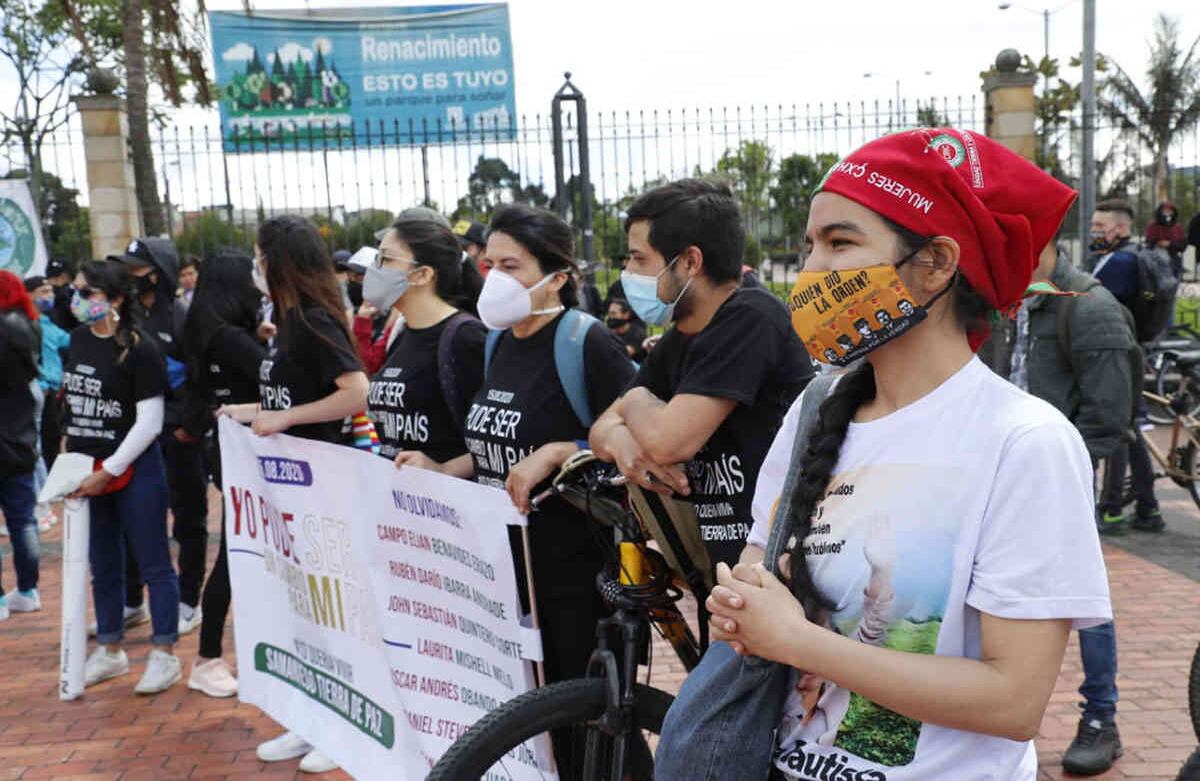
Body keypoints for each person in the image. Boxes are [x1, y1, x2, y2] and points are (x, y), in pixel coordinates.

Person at [695, 129, 1110, 780]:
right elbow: (758, 565)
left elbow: (1016, 700)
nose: (812, 271)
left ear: (936, 263)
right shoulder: (813, 410)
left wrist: (800, 640)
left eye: (841, 242)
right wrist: (744, 604)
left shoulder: (1025, 442)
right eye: (810, 245)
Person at [395, 203, 635, 774]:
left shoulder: (586, 344)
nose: (496, 278)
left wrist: (561, 452)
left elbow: (636, 445)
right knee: (523, 715)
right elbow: (493, 454)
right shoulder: (496, 344)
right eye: (489, 264)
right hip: (505, 570)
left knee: (582, 719)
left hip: (575, 570)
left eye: (513, 265)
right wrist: (440, 468)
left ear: (559, 275)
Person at [590, 179, 814, 570]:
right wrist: (626, 448)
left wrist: (635, 401)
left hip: (781, 576)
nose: (628, 273)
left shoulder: (750, 318)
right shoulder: (683, 335)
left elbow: (667, 441)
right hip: (728, 575)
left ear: (690, 262)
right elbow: (600, 431)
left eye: (639, 259)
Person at [219, 215, 368, 774]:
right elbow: (289, 399)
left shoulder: (313, 320)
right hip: (288, 493)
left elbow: (355, 393)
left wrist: (284, 420)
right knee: (301, 614)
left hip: (321, 489)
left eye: (260, 256)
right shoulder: (285, 323)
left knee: (330, 616)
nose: (255, 266)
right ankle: (309, 721)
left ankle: (340, 730)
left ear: (278, 262)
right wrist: (251, 414)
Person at [991, 238, 1137, 775]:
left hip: (1057, 481)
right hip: (997, 475)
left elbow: (1110, 418)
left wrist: (1047, 471)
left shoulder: (1090, 307)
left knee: (1083, 600)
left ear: (1040, 239)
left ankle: (1101, 718)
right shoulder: (1001, 302)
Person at [64, 260, 182, 694]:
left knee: (152, 560)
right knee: (104, 563)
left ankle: (164, 653)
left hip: (134, 469)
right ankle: (110, 649)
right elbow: (74, 400)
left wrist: (111, 468)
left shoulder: (139, 348)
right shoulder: (77, 339)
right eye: (76, 291)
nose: (78, 300)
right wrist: (70, 454)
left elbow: (149, 421)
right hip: (87, 468)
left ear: (114, 299)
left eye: (88, 292)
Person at [181, 250, 269, 699]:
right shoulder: (230, 339)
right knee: (236, 553)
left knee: (242, 550)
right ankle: (207, 657)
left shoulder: (207, 329)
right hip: (240, 449)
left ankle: (219, 654)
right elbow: (274, 378)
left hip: (225, 448)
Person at [110, 238, 208, 637]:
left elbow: (202, 379)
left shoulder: (184, 318)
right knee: (132, 517)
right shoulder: (128, 319)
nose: (129, 277)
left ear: (158, 274)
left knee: (188, 519)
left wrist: (190, 425)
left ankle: (189, 601)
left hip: (177, 437)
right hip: (136, 436)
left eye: (137, 268)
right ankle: (134, 602)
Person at [364, 213, 486, 462]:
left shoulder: (465, 338)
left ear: (423, 275)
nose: (374, 268)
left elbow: (493, 444)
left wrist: (446, 469)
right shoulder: (401, 332)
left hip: (448, 497)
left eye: (385, 259)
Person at [1087, 200, 1161, 533]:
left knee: (1117, 427)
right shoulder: (1118, 259)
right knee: (1129, 430)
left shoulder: (1119, 262)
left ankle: (1112, 507)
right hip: (1130, 352)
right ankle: (1148, 507)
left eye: (1100, 226)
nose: (1094, 231)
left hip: (1116, 356)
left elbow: (1092, 305)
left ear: (1121, 229)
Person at [0, 271, 42, 620]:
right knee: (23, 520)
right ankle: (28, 588)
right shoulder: (29, 328)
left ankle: (0, 599)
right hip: (20, 436)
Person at [24, 275, 72, 526]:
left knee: (40, 447)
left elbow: (71, 341)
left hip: (46, 392)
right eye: (43, 291)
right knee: (38, 447)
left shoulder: (45, 324)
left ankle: (43, 503)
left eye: (49, 291)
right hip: (40, 390)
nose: (48, 296)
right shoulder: (27, 324)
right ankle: (45, 500)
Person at [1144, 200, 1187, 277]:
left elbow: (1183, 246)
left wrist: (1169, 244)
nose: (1168, 214)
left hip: (1174, 261)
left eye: (1170, 211)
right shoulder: (1153, 226)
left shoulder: (1178, 227)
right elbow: (1148, 244)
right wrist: (1158, 243)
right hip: (1156, 262)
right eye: (1165, 211)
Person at [605, 297, 648, 362]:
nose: (610, 317)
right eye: (609, 313)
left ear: (626, 315)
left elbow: (622, 354)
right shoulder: (609, 332)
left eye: (614, 313)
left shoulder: (637, 333)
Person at [45, 257, 77, 332]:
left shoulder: (76, 298)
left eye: (63, 278)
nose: (59, 282)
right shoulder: (44, 301)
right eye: (55, 279)